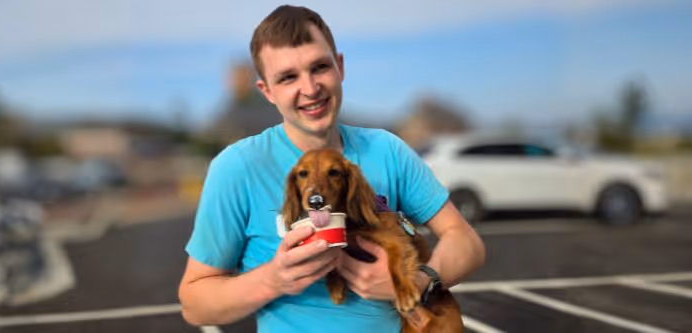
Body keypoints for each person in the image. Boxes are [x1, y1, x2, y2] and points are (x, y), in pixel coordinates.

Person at [178, 5, 486, 332]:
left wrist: (420, 280)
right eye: (288, 77)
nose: (310, 89)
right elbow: (194, 304)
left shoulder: (387, 149)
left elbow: (465, 242)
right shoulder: (236, 167)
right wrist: (273, 279)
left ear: (339, 66)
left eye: (319, 67)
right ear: (266, 90)